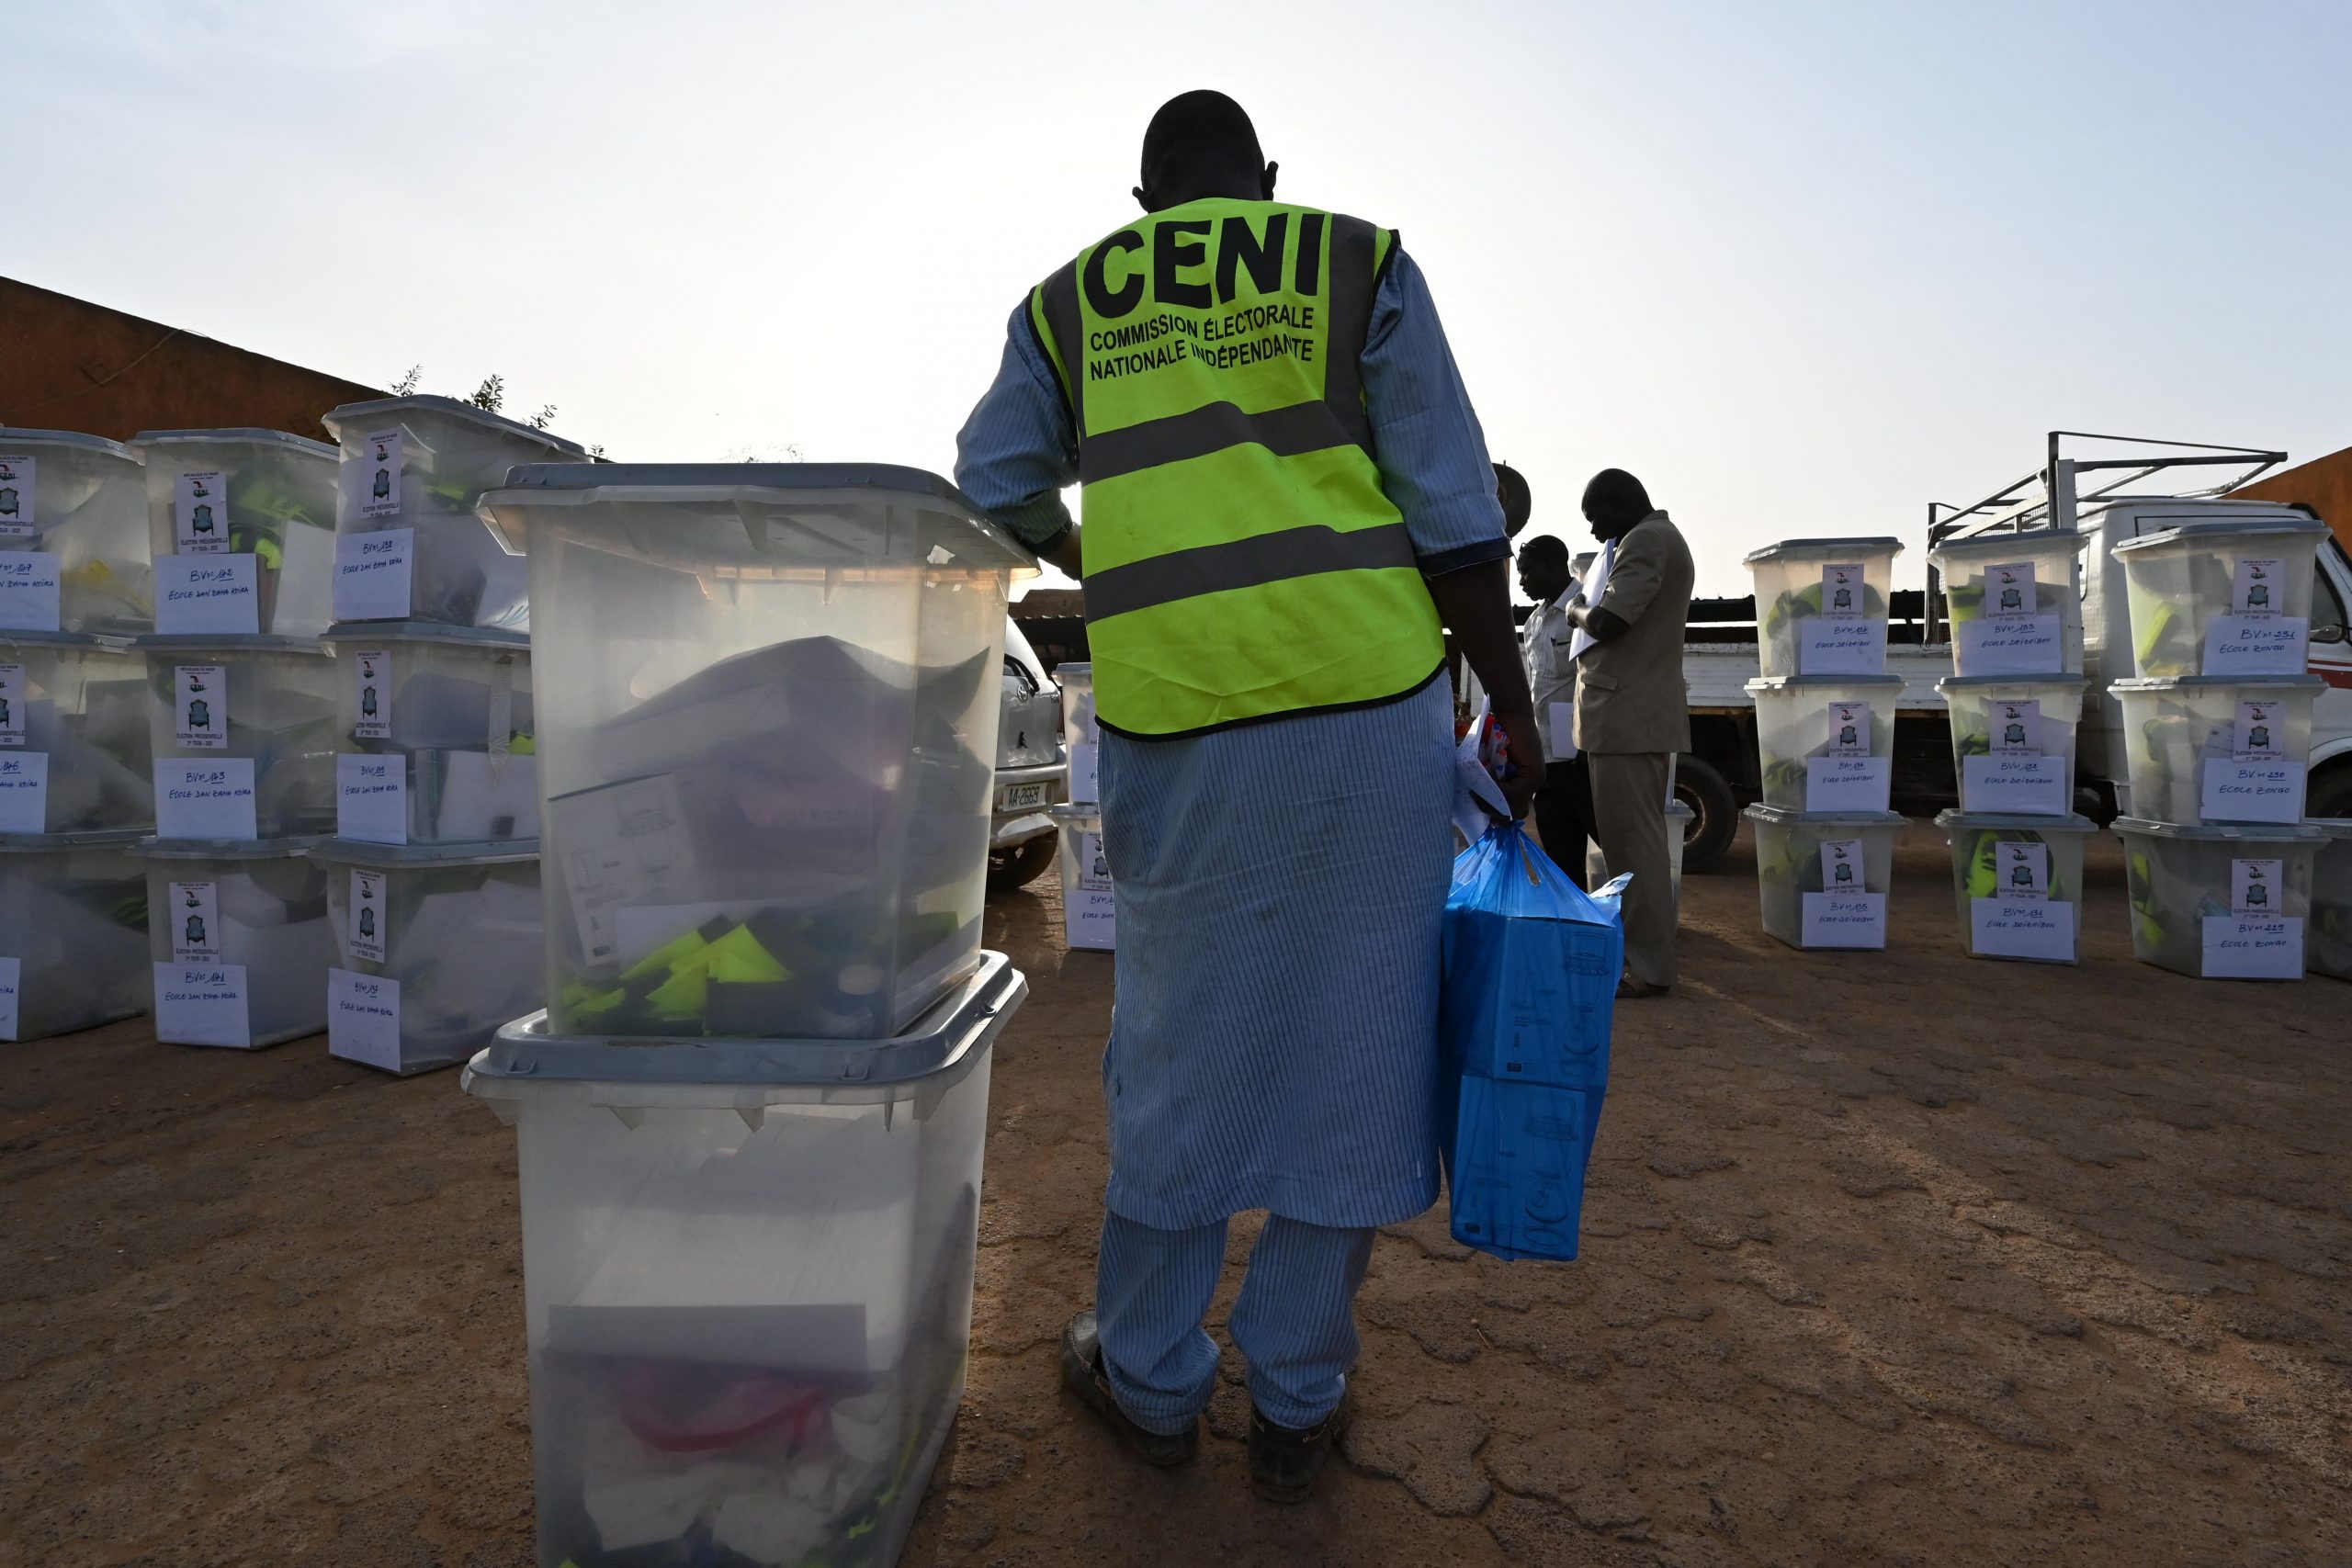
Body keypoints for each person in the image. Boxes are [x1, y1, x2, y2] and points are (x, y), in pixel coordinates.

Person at [954, 89, 1538, 1503]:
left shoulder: (1069, 302)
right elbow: (1455, 506)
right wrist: (1508, 700)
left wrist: (1077, 539)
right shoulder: (1356, 259)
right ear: (1264, 181)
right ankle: (1297, 1390)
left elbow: (990, 478)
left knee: (1177, 1044)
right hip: (1366, 701)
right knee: (1358, 1040)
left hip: (1179, 713)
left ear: (1147, 203)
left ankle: (1151, 1374)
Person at [1563, 468, 1694, 998]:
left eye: (1597, 518)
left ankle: (1648, 968)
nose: (1595, 533)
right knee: (1631, 848)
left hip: (1626, 719)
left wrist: (1573, 606)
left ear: (1621, 503)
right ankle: (1641, 961)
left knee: (1634, 851)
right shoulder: (1656, 539)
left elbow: (1611, 621)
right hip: (1626, 720)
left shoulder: (1646, 542)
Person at [1515, 533, 1595, 886]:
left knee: (1615, 846)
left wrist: (1588, 740)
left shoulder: (1585, 609)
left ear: (1552, 565)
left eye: (1528, 572)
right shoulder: (1534, 622)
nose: (1521, 582)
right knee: (1562, 859)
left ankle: (1634, 928)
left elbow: (1595, 677)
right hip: (1548, 759)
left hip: (1583, 758)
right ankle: (1575, 928)